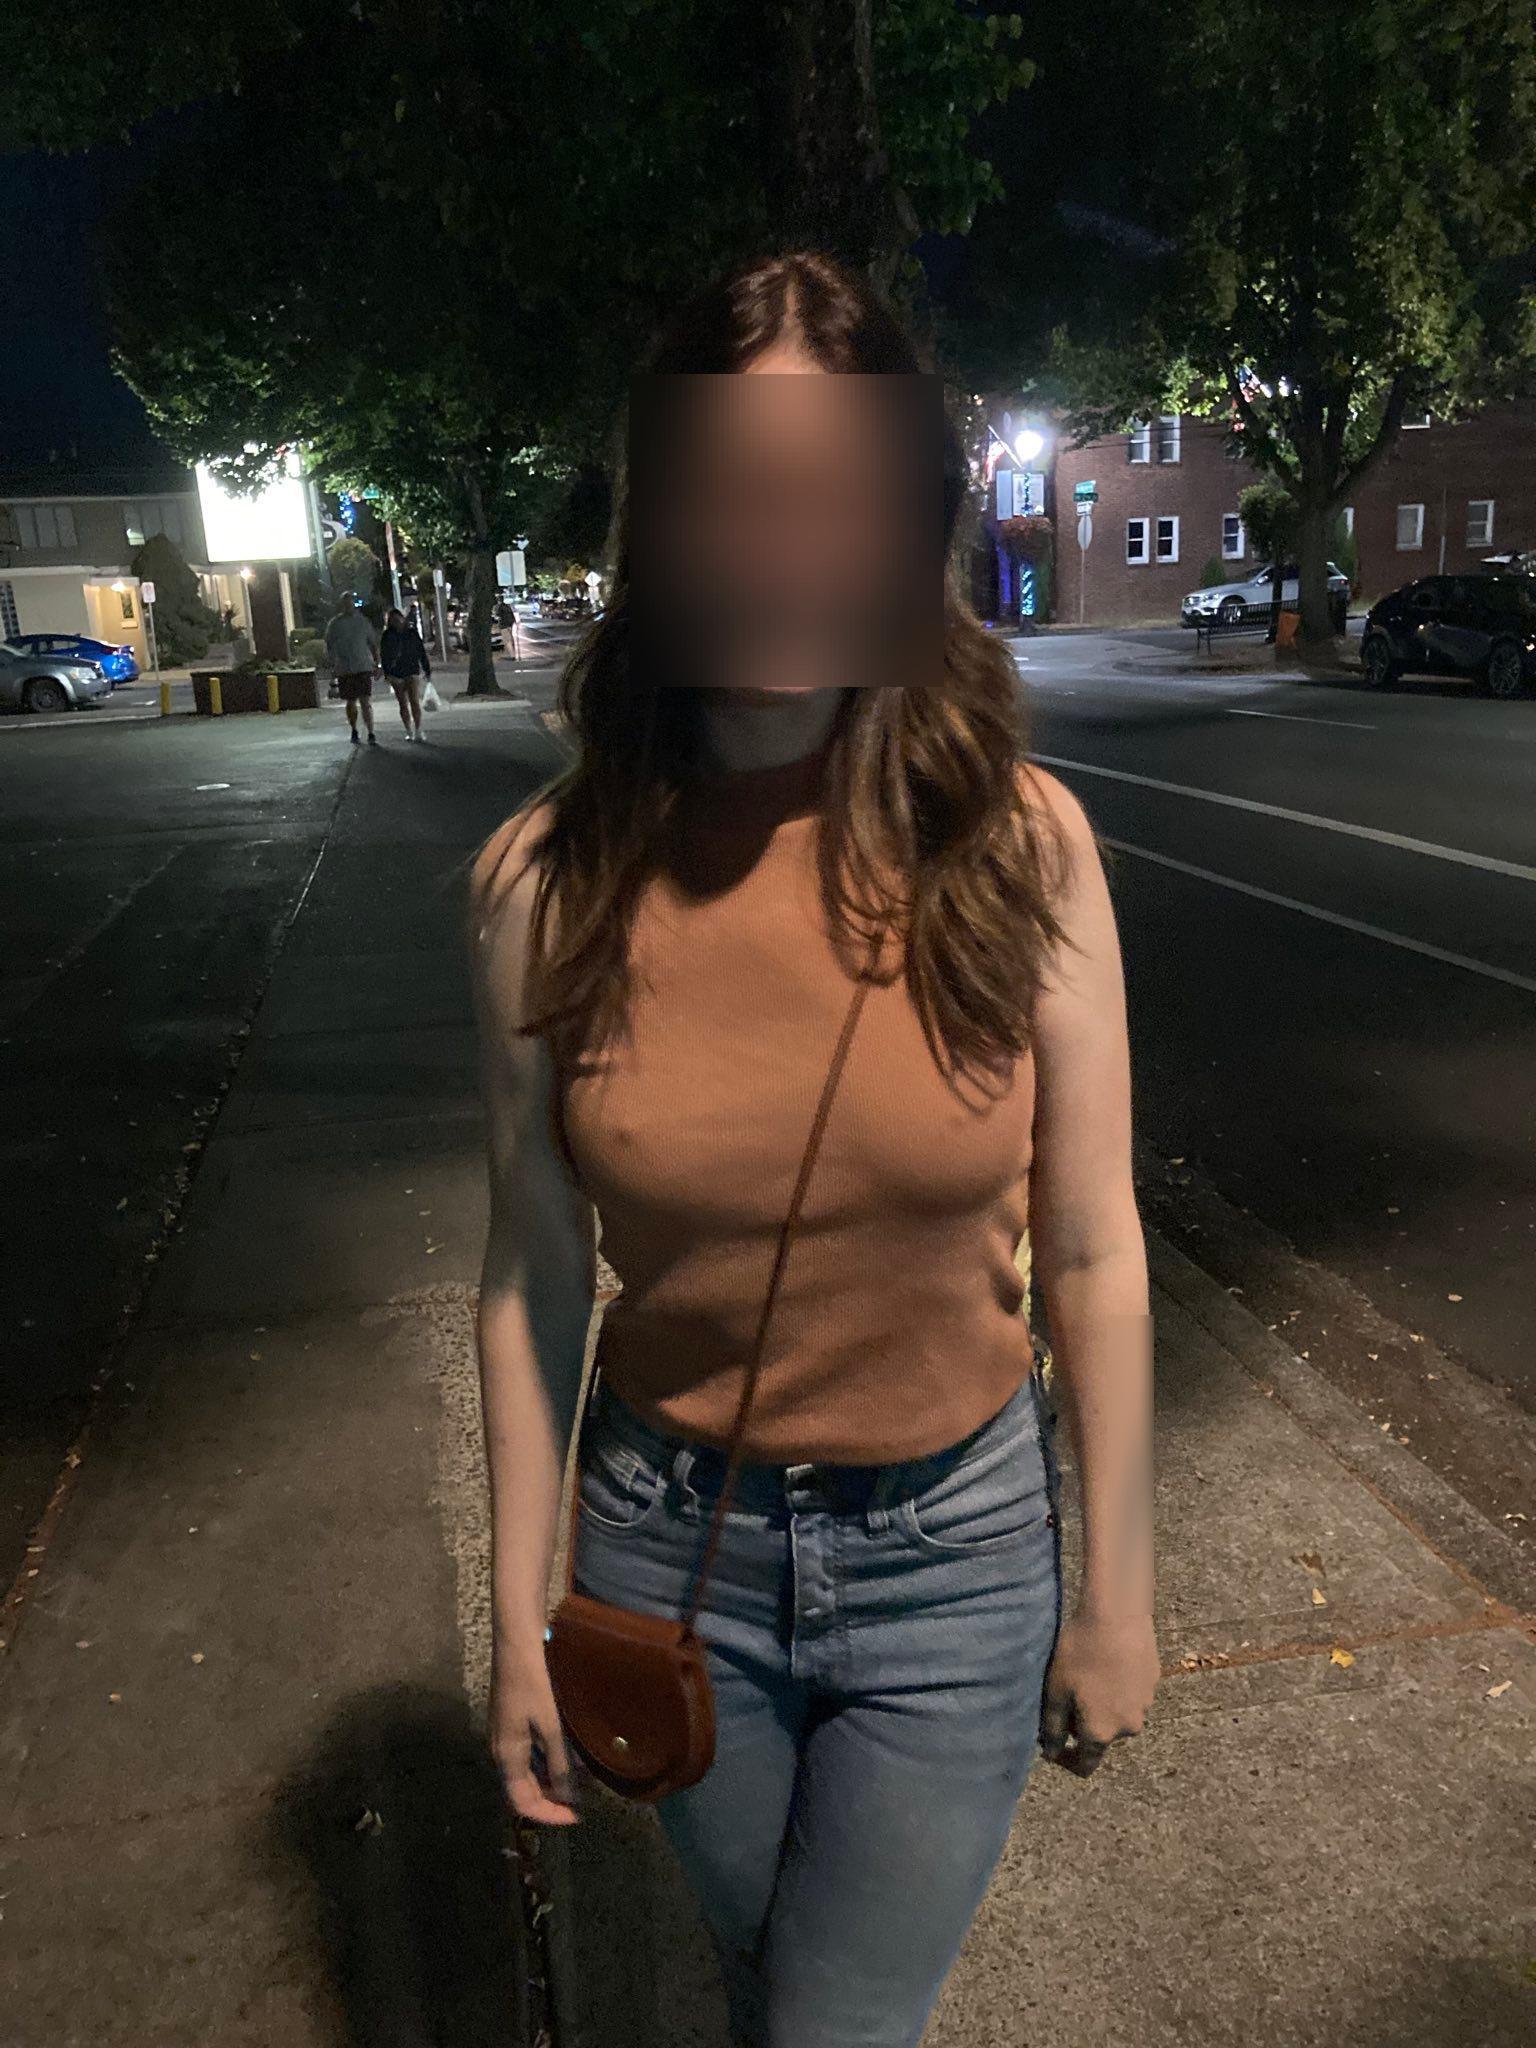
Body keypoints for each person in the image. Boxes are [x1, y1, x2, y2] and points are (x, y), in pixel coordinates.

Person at [468, 251, 1158, 2048]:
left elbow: (1094, 1246)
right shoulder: (543, 883)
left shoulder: (1020, 848)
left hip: (954, 1557)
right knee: (774, 1988)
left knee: (830, 2022)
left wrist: (1121, 1587)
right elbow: (531, 1271)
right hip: (664, 1554)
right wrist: (517, 1612)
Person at [323, 594, 381, 745]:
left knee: (365, 701)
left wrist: (377, 663)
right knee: (350, 702)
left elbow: (373, 644)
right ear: (342, 605)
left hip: (362, 666)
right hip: (345, 668)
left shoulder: (363, 622)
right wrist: (332, 664)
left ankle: (371, 732)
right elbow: (329, 645)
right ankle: (354, 729)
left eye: (351, 603)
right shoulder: (335, 624)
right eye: (346, 604)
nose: (349, 606)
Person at [381, 604, 432, 741]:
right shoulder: (387, 635)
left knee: (414, 701)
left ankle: (418, 729)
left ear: (402, 619)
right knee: (403, 703)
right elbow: (384, 655)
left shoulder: (411, 633)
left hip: (411, 669)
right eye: (393, 620)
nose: (397, 622)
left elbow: (421, 651)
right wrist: (387, 673)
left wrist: (426, 669)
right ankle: (409, 730)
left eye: (398, 619)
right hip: (396, 673)